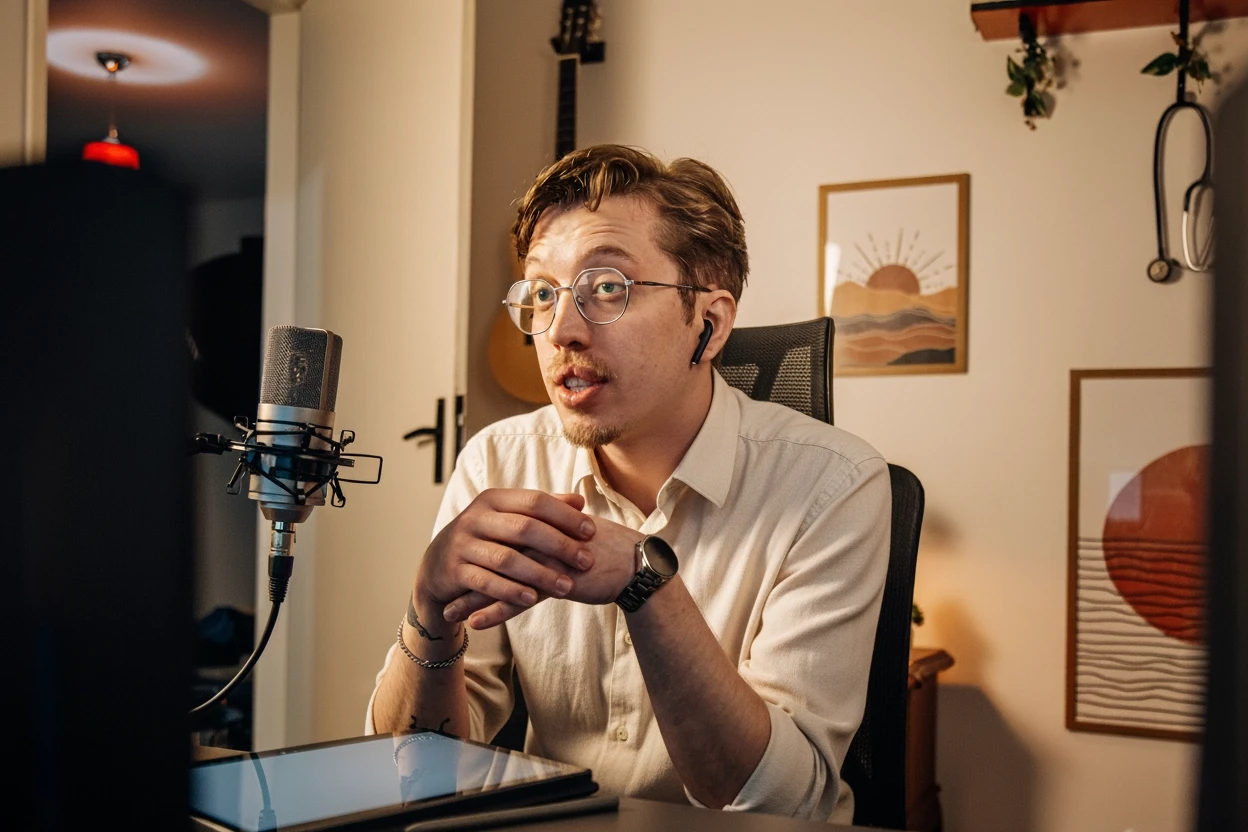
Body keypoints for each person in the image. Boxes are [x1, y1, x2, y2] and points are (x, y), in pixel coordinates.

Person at [366, 144, 891, 823]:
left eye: (606, 287)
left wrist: (647, 583)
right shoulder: (496, 462)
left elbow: (784, 800)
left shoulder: (835, 485)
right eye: (543, 294)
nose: (560, 331)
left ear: (709, 322)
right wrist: (429, 618)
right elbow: (408, 779)